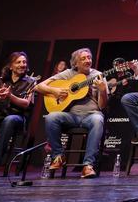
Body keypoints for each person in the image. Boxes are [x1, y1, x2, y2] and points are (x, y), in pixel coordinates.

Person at [36, 48, 107, 179]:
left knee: (98, 120)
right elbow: (39, 86)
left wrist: (103, 91)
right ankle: (58, 156)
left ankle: (88, 165)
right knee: (51, 117)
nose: (88, 61)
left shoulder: (99, 75)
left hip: (91, 115)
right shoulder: (68, 74)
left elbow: (102, 106)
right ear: (75, 63)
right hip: (71, 116)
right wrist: (55, 91)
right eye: (83, 59)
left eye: (89, 58)